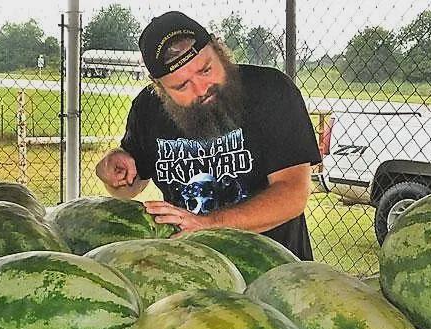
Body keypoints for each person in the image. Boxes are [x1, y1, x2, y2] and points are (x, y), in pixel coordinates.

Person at [95, 11, 321, 260]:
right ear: (158, 86)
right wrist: (113, 169)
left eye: (205, 70)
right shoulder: (148, 109)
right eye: (181, 86)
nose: (202, 88)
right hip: (195, 269)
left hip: (274, 269)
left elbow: (293, 194)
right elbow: (130, 186)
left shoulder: (271, 91)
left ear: (219, 49)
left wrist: (208, 223)